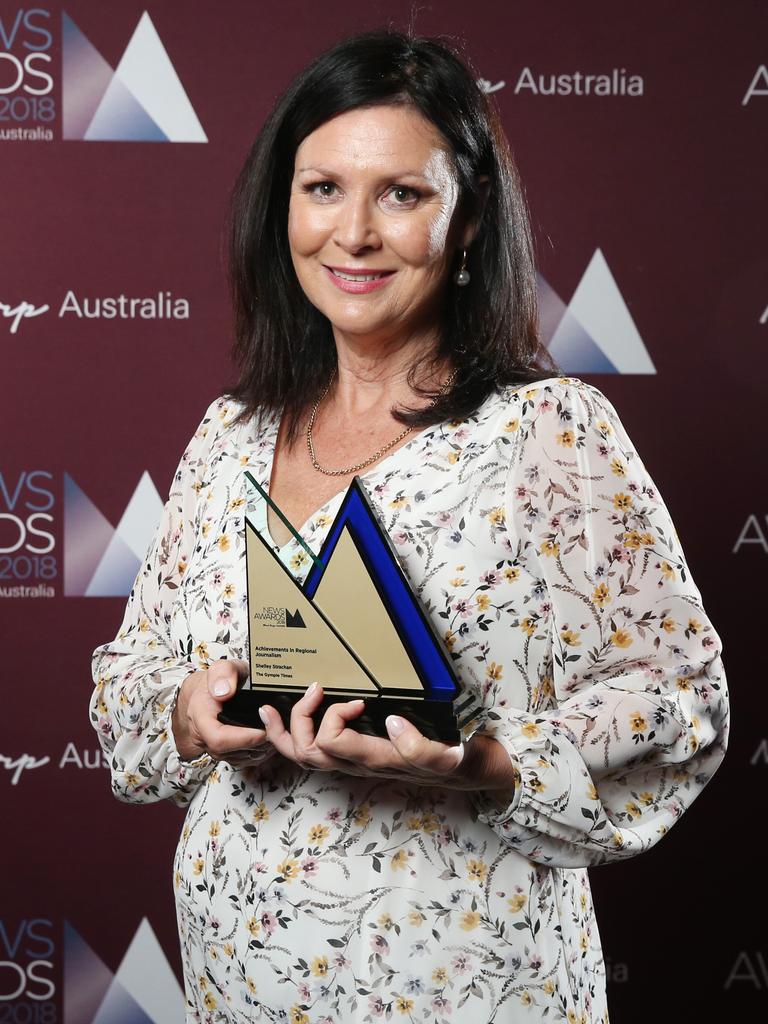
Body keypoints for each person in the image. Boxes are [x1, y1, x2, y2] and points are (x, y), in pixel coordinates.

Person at [90, 28, 729, 1024]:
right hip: (241, 976)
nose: (353, 234)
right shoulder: (229, 436)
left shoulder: (547, 433)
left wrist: (477, 760)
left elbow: (680, 700)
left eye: (402, 193)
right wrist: (189, 710)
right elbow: (128, 692)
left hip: (469, 985)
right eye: (322, 189)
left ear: (467, 218)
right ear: (281, 207)